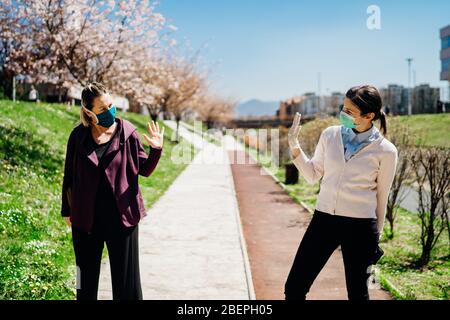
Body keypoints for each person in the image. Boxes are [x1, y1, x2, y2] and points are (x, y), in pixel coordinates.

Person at [284, 85, 398, 300]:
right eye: (343, 108)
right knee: (294, 287)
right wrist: (295, 146)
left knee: (357, 294)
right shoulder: (330, 135)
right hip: (324, 220)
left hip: (360, 227)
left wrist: (376, 236)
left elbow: (382, 196)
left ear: (369, 115)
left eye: (350, 112)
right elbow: (312, 175)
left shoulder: (386, 151)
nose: (343, 115)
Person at [61, 82, 164, 300]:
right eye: (103, 109)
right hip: (86, 220)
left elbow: (144, 170)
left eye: (111, 105)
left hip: (122, 219)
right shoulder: (77, 137)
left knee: (127, 285)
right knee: (84, 282)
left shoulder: (127, 133)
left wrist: (156, 149)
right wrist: (66, 210)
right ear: (89, 112)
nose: (110, 111)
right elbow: (69, 176)